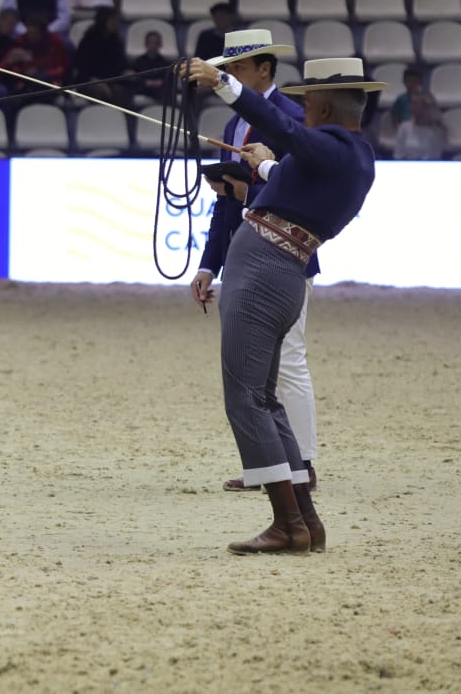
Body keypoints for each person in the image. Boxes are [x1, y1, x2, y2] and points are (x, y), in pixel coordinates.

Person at [181, 52, 381, 554]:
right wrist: (263, 167)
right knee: (264, 397)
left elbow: (284, 129)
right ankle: (304, 520)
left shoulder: (333, 147)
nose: (302, 111)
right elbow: (298, 178)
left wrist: (222, 82)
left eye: (308, 103)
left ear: (324, 108)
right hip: (280, 266)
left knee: (245, 397)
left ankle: (288, 524)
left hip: (263, 268)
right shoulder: (351, 155)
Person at [186, 30, 321, 494]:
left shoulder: (292, 121)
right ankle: (274, 464)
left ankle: (302, 462)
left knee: (288, 360)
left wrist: (249, 189)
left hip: (286, 252)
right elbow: (225, 203)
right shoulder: (234, 125)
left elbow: (299, 191)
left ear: (264, 69)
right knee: (256, 367)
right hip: (247, 253)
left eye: (237, 69)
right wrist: (210, 265)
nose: (230, 76)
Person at [1, 12, 70, 100]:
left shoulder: (55, 42)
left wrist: (42, 72)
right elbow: (11, 67)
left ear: (42, 33)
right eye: (29, 32)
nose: (30, 36)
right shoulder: (21, 41)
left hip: (49, 81)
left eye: (34, 33)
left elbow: (62, 67)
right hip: (25, 80)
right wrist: (21, 68)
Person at [72, 6, 130, 104]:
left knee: (122, 92)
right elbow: (82, 67)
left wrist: (126, 71)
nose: (115, 23)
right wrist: (96, 82)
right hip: (89, 81)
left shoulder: (116, 41)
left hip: (110, 80)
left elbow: (120, 63)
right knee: (100, 93)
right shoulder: (89, 40)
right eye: (112, 20)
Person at [394, 93, 447, 159]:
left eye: (415, 103)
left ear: (426, 107)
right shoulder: (404, 127)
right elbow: (398, 153)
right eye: (411, 103)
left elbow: (434, 156)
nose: (410, 106)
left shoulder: (437, 131)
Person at [131, 28, 172, 101]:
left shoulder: (166, 63)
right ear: (146, 44)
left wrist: (160, 82)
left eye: (155, 43)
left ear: (160, 44)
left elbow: (169, 78)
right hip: (143, 88)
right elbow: (135, 77)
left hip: (160, 89)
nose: (153, 45)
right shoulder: (138, 62)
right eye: (150, 42)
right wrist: (146, 82)